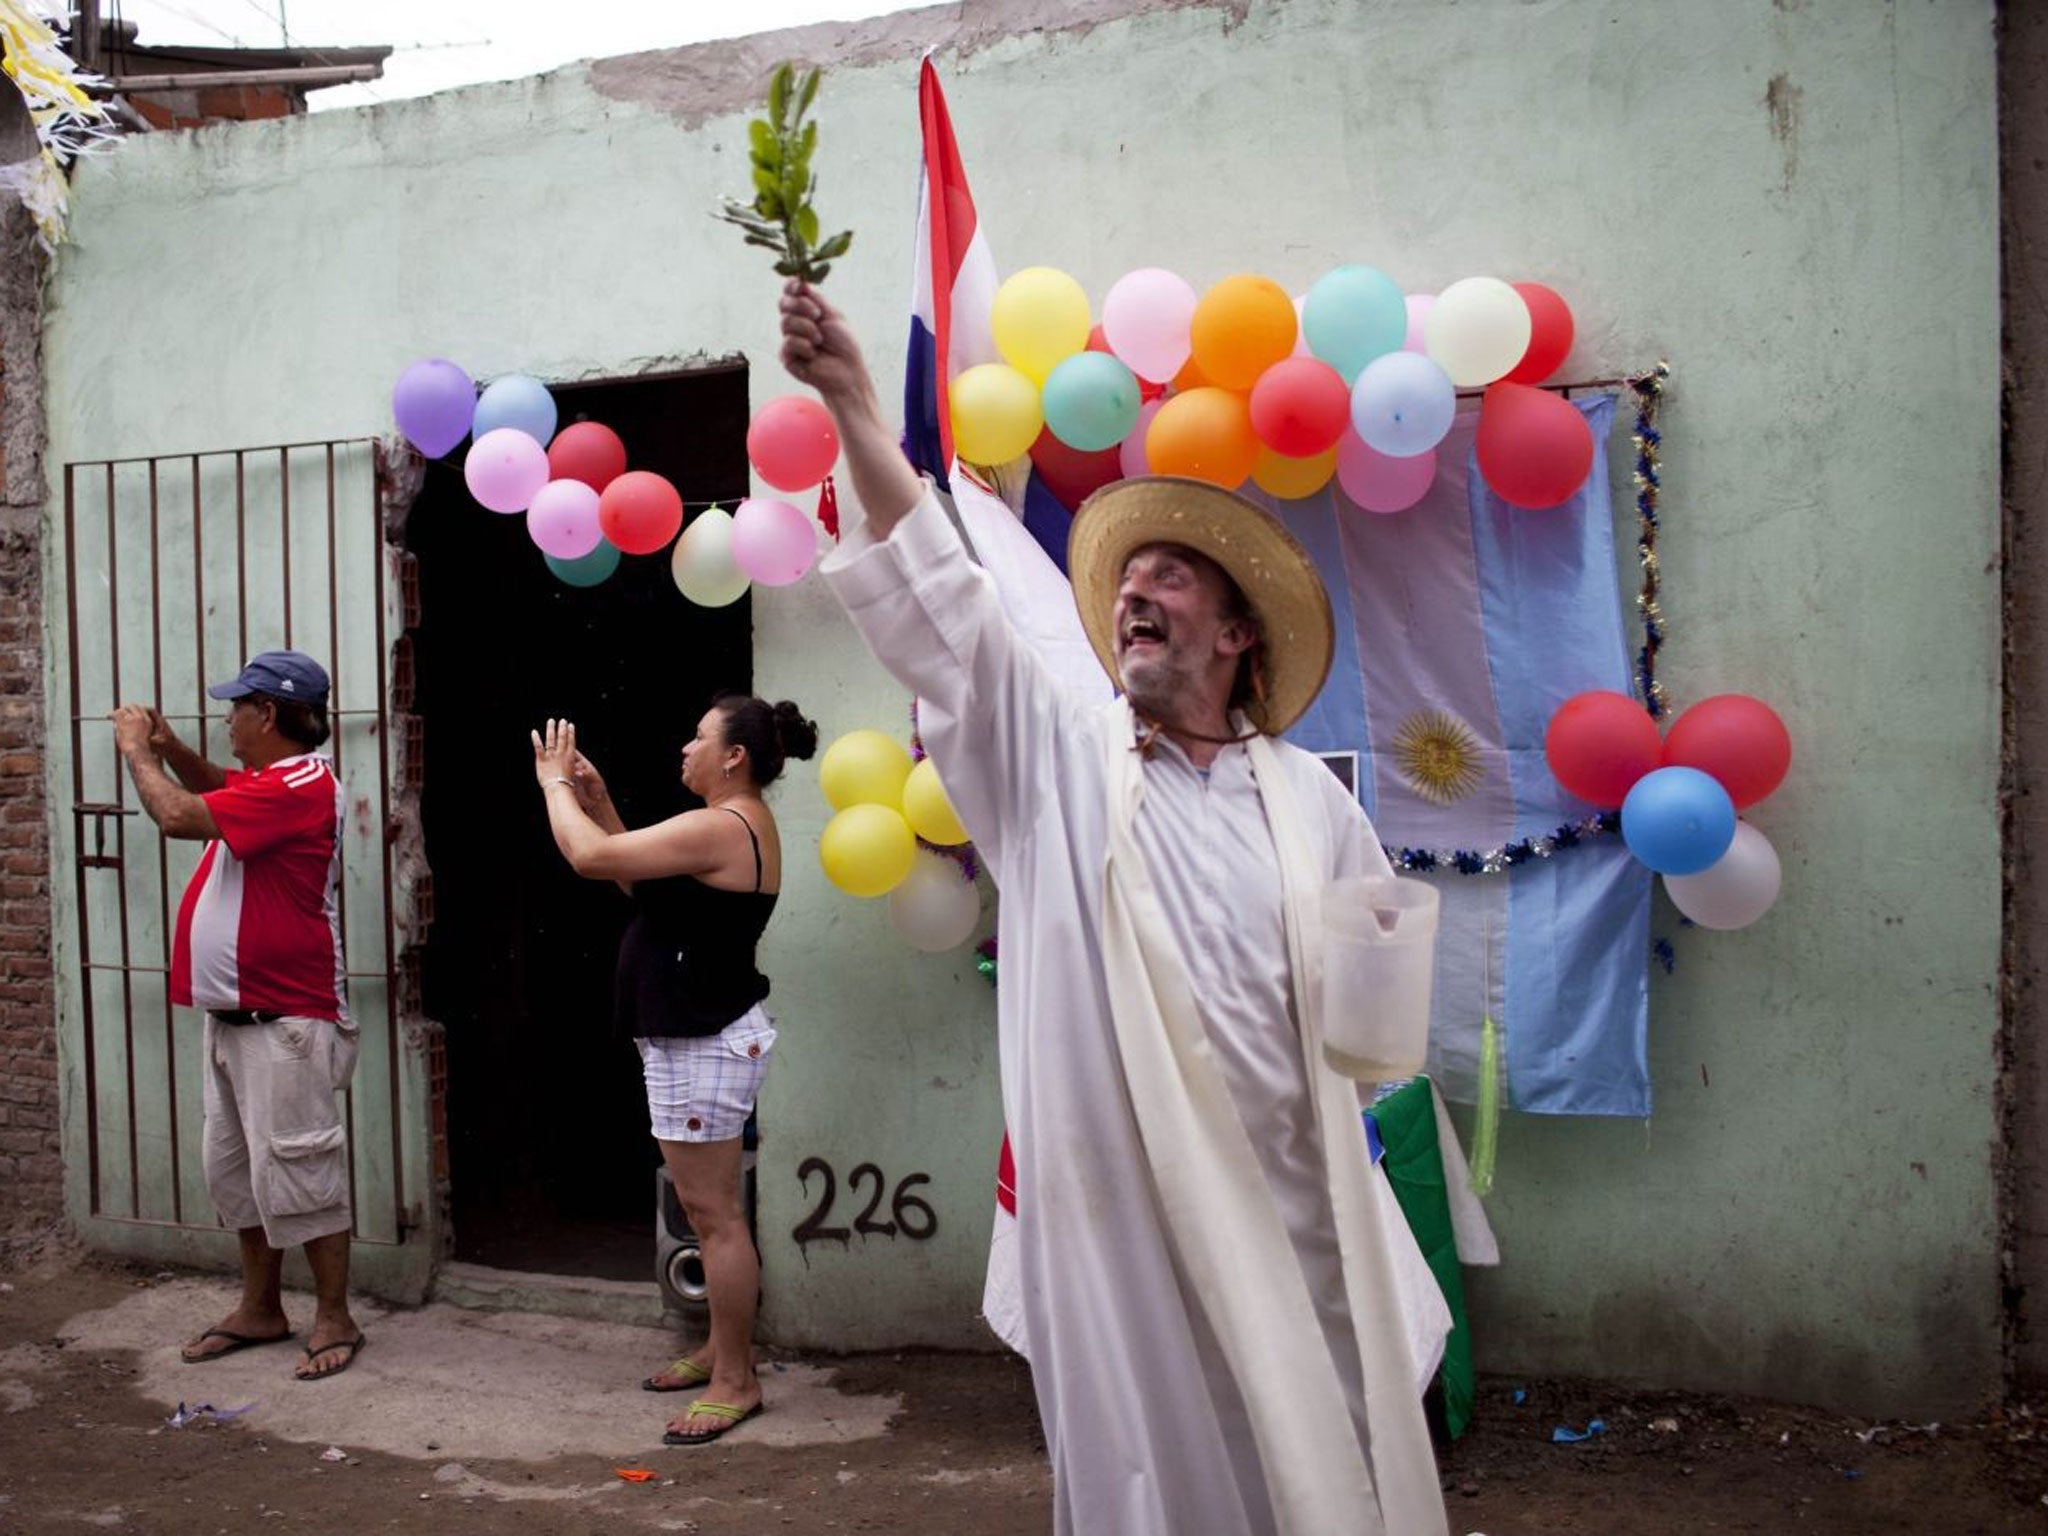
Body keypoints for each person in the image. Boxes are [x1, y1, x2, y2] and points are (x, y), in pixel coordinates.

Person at [781, 280, 1452, 1536]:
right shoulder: (1056, 765)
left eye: (1170, 580)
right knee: (1156, 1476)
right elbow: (951, 620)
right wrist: (857, 413)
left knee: (1326, 1456)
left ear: (1238, 635)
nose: (1133, 595)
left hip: (1299, 1206)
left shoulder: (1310, 802)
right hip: (1127, 1225)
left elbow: (1374, 1029)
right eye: (1123, 581)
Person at [531, 692, 817, 1448]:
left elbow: (591, 861)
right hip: (696, 1037)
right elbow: (646, 888)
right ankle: (720, 1353)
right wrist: (601, 802)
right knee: (708, 1211)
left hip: (702, 1040)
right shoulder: (724, 826)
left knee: (715, 1217)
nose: (683, 750)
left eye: (698, 738)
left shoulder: (721, 824)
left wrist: (555, 784)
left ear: (734, 757)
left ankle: (736, 1380)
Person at [110, 650, 366, 1382]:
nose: (226, 717)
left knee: (302, 1170)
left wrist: (136, 752)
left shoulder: (302, 785)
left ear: (269, 715)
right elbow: (220, 788)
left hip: (284, 1017)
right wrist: (172, 749)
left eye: (235, 707)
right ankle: (261, 1307)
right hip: (236, 1016)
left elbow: (178, 814)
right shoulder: (274, 781)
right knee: (239, 1174)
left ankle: (335, 1316)